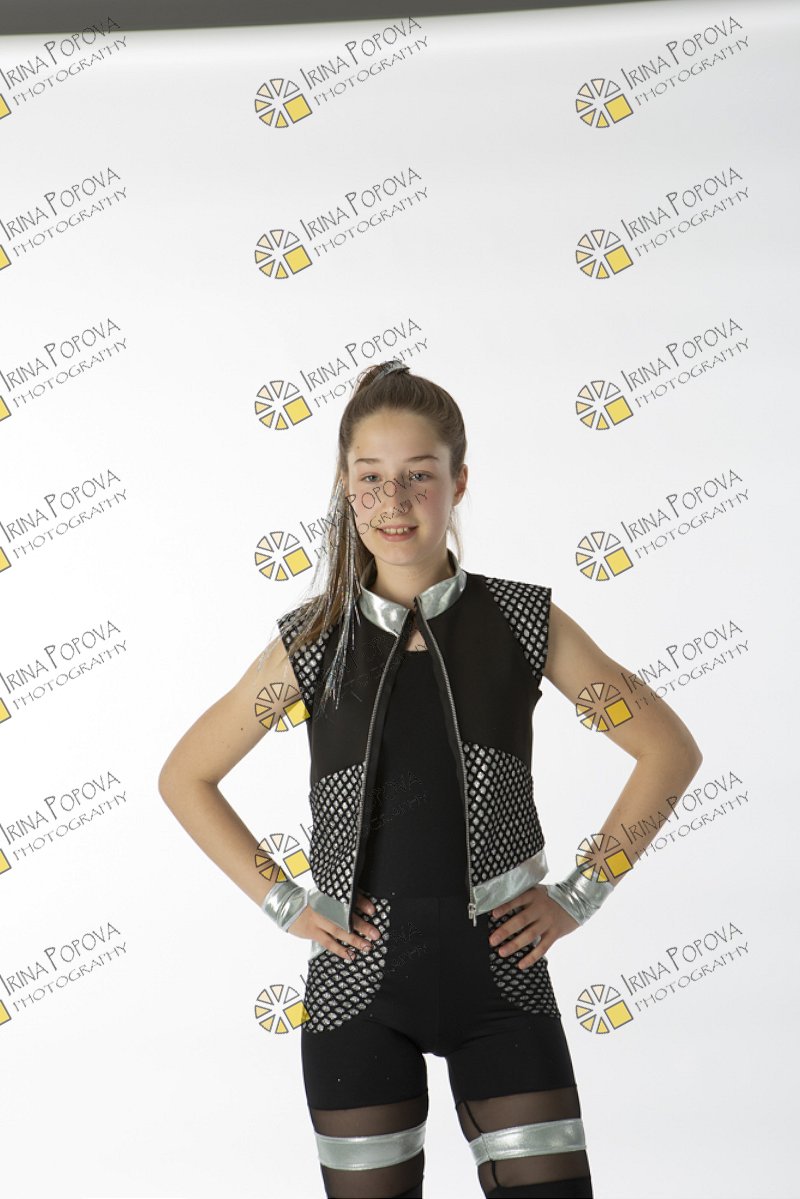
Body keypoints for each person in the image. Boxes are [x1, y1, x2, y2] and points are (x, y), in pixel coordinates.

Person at [159, 360, 703, 1199]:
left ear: (459, 483)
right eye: (370, 478)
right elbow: (186, 777)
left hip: (502, 976)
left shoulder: (522, 620)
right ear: (346, 488)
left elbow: (667, 750)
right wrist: (285, 903)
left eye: (419, 475)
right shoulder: (315, 641)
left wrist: (580, 894)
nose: (395, 500)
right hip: (356, 989)